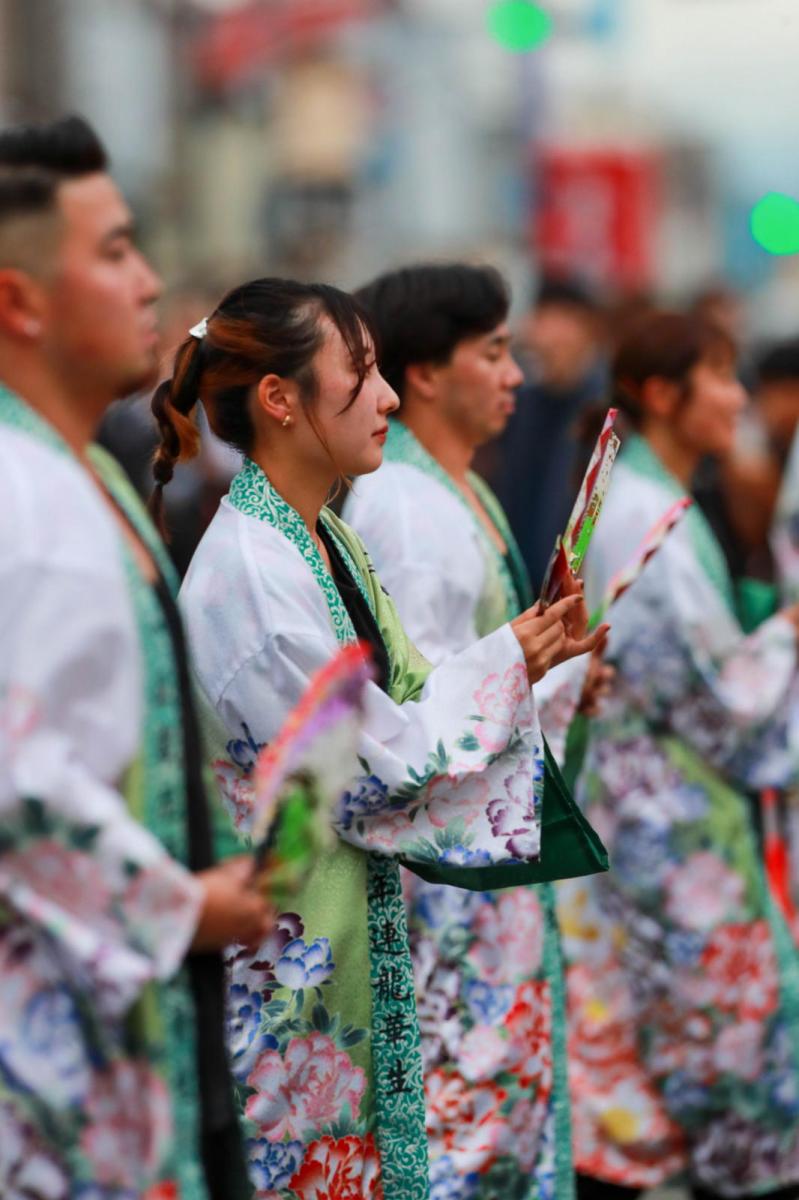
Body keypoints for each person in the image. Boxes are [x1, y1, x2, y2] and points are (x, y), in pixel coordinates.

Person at [151, 276, 607, 1200]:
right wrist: (504, 667)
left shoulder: (318, 535)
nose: (388, 397)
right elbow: (375, 773)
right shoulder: (255, 576)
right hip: (290, 967)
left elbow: (401, 698)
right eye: (360, 374)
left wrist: (517, 658)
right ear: (279, 399)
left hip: (342, 934)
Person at [0, 115, 272, 1199]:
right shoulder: (20, 494)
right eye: (114, 252)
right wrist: (178, 906)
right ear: (20, 299)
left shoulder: (79, 477)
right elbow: (15, 783)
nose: (153, 281)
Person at [342, 262, 612, 1200]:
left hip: (479, 851)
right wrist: (536, 671)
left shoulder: (452, 492)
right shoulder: (406, 511)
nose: (514, 375)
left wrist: (560, 668)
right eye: (493, 352)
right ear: (422, 373)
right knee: (459, 1122)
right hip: (444, 870)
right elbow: (422, 711)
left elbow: (481, 676)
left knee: (492, 1112)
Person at [560, 310, 799, 1200]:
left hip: (651, 799)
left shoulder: (638, 494)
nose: (737, 397)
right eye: (720, 377)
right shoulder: (644, 514)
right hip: (664, 814)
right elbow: (713, 695)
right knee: (716, 1036)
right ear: (663, 394)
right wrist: (783, 635)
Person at [487, 275, 605, 590]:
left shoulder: (606, 411)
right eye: (543, 323)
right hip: (521, 583)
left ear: (587, 330)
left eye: (563, 328)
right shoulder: (520, 402)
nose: (550, 341)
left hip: (579, 588)